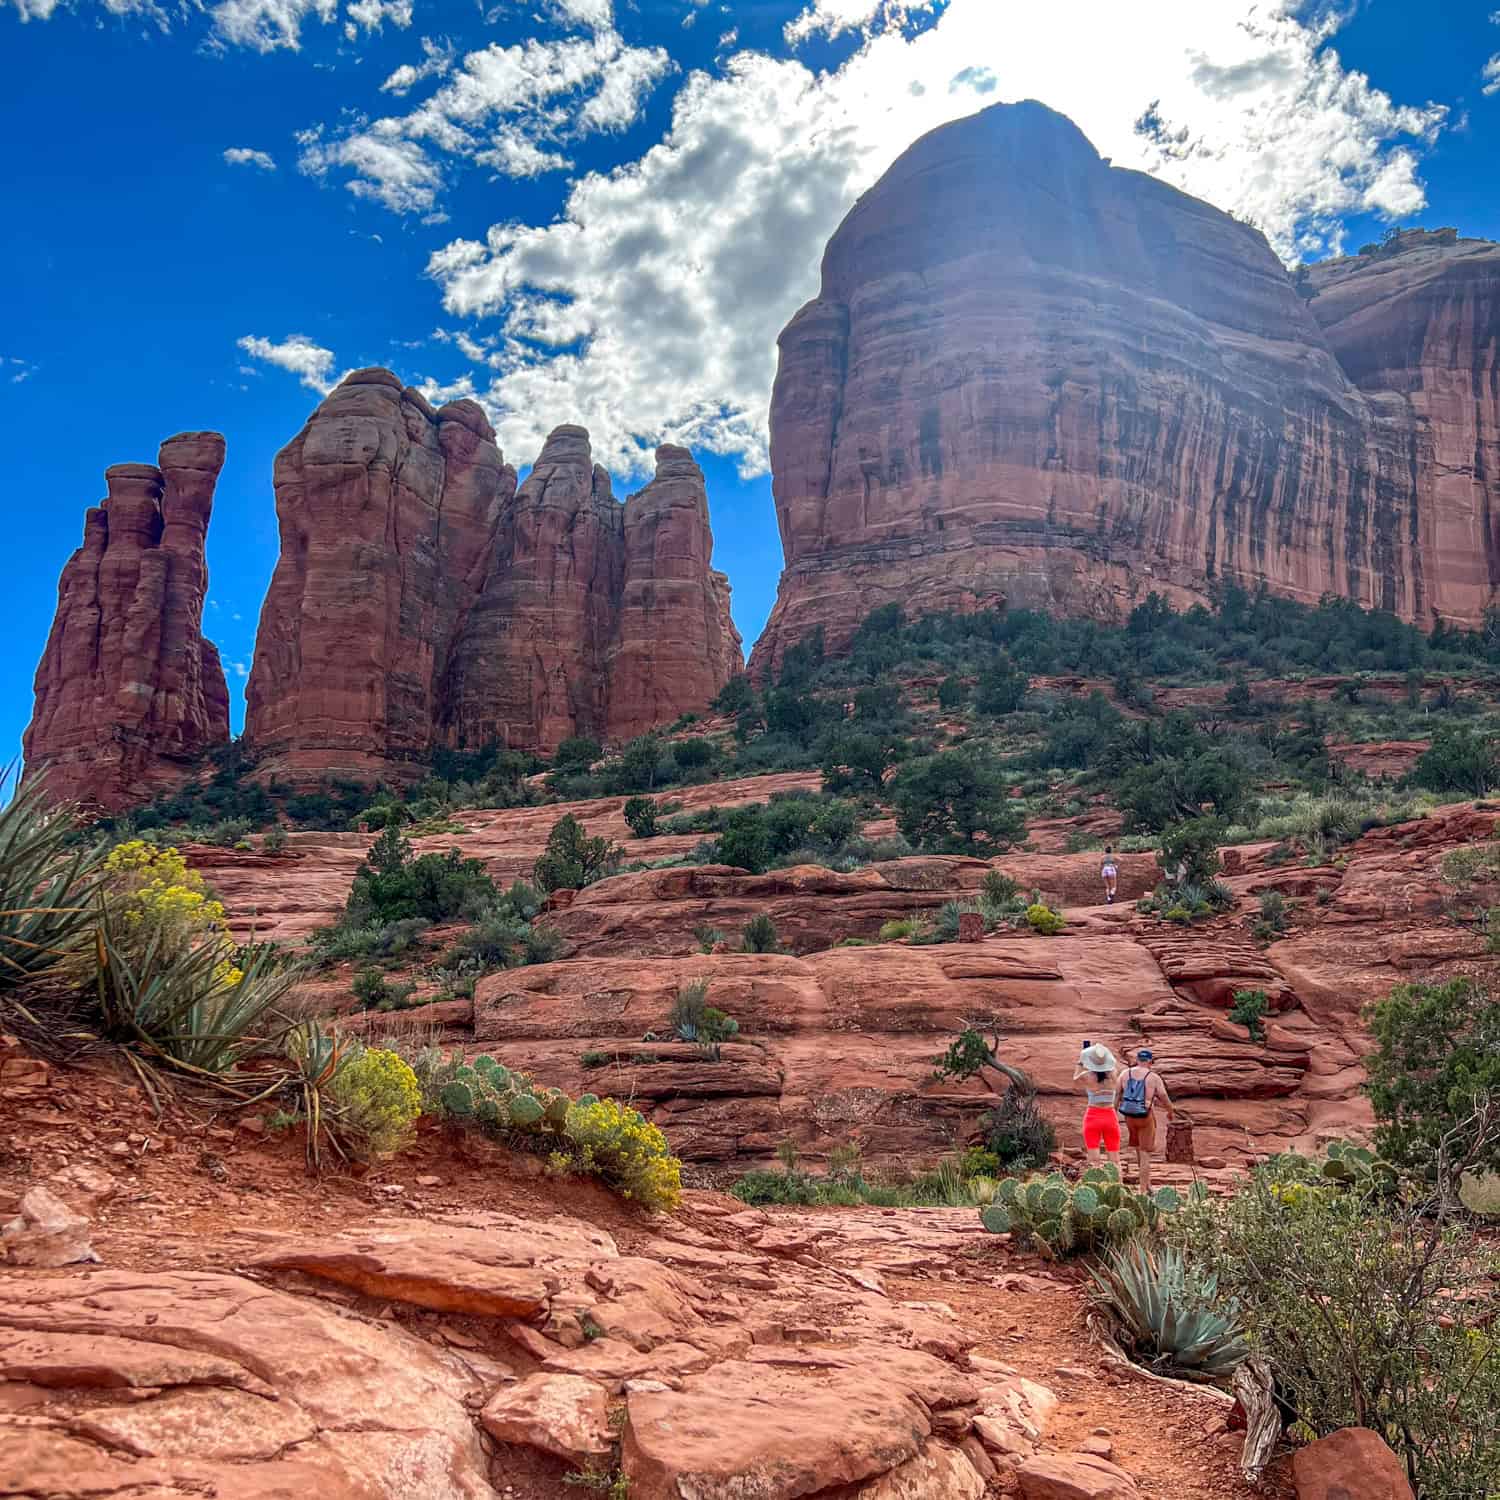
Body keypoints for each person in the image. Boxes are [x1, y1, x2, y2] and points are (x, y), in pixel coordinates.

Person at [1115, 1048, 1172, 1193]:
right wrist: (1170, 1111)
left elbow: (1117, 1095)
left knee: (1139, 1150)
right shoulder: (1153, 1077)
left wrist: (1113, 1113)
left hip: (1129, 1116)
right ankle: (1142, 1192)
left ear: (1138, 1060)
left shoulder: (1124, 1073)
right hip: (1145, 1116)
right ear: (1150, 1062)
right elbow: (1163, 1096)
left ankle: (1147, 1184)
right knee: (1146, 1152)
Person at [1073, 1041, 1121, 1171]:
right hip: (1110, 1116)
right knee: (1115, 1160)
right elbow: (1112, 1068)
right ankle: (1119, 1188)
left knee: (1094, 1160)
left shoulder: (1087, 1076)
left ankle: (1096, 1188)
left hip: (1093, 1117)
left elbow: (1075, 1079)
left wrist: (1081, 1061)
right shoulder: (1113, 1074)